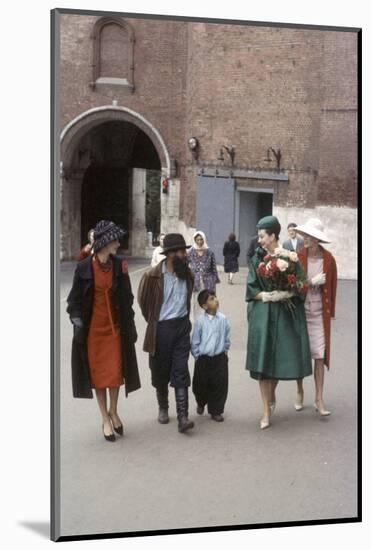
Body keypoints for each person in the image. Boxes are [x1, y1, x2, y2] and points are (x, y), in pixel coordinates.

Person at [67, 220, 140, 442]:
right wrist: (77, 320)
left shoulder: (119, 265)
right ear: (105, 243)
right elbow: (74, 301)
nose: (118, 244)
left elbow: (127, 299)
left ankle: (114, 410)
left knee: (116, 373)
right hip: (94, 331)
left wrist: (131, 325)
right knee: (99, 377)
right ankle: (104, 418)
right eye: (115, 240)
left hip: (115, 328)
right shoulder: (83, 268)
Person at [245, 215, 312, 429]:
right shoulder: (256, 259)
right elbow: (251, 288)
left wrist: (288, 291)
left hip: (283, 314)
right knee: (263, 363)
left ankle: (275, 392)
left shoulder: (291, 259)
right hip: (263, 315)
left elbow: (302, 284)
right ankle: (265, 410)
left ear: (273, 235)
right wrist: (266, 296)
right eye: (259, 236)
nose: (260, 240)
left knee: (278, 359)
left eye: (262, 236)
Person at [137, 233, 195, 433]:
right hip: (161, 329)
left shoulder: (188, 274)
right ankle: (163, 406)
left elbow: (189, 300)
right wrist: (154, 322)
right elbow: (143, 302)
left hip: (181, 328)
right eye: (180, 251)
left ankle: (183, 417)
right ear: (170, 254)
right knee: (160, 371)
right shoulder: (152, 276)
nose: (184, 254)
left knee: (181, 370)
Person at [294, 218, 337, 416]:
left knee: (319, 356)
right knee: (301, 355)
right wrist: (311, 282)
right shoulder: (298, 256)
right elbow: (293, 286)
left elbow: (333, 287)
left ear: (316, 239)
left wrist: (331, 313)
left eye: (308, 236)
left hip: (319, 314)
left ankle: (319, 398)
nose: (304, 238)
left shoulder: (329, 260)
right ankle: (300, 391)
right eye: (304, 235)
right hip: (302, 313)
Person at [191, 289, 230, 422]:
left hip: (219, 358)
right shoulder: (200, 321)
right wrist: (197, 356)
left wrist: (225, 351)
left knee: (220, 385)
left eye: (215, 297)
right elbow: (195, 340)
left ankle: (216, 410)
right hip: (203, 359)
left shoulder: (223, 319)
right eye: (211, 299)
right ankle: (201, 402)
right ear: (204, 306)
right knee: (200, 385)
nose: (216, 300)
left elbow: (227, 337)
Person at [187, 230, 220, 319]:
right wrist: (189, 278)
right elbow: (185, 267)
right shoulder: (190, 252)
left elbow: (214, 268)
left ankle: (210, 320)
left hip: (208, 282)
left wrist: (214, 281)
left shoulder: (210, 252)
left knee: (209, 302)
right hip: (196, 283)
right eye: (197, 239)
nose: (199, 242)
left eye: (201, 239)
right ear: (195, 240)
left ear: (204, 239)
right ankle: (198, 322)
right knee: (197, 303)